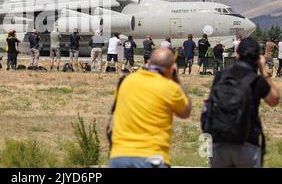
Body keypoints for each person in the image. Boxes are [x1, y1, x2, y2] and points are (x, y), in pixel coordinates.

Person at [109, 48, 192, 168]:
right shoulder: (170, 88)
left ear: (148, 63)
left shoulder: (126, 81)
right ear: (172, 68)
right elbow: (185, 112)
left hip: (119, 155)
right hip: (152, 156)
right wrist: (176, 79)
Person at [203, 38, 280, 168]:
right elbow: (274, 100)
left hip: (219, 142)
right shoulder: (256, 80)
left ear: (237, 54)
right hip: (247, 143)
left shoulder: (221, 76)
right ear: (257, 57)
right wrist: (263, 70)